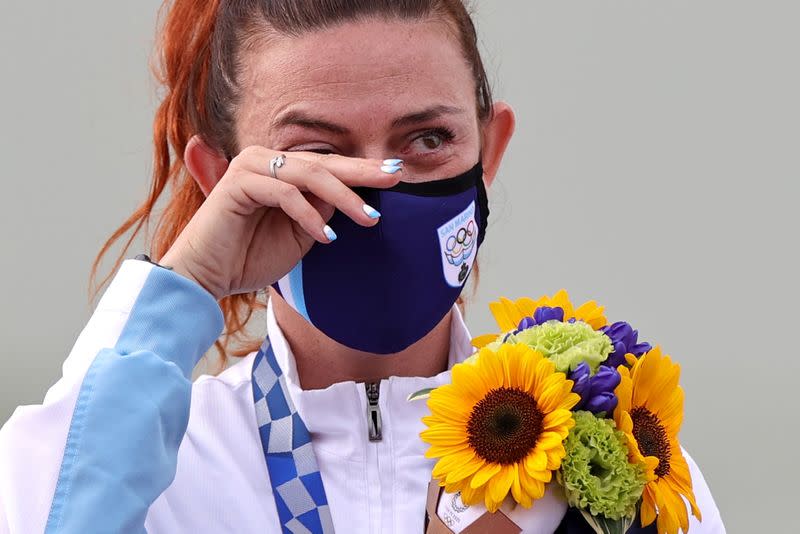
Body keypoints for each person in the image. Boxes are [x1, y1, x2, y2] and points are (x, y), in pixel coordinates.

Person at [0, 1, 725, 533]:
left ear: (489, 151)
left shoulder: (606, 459)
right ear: (221, 178)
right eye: (317, 153)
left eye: (428, 139)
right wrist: (186, 283)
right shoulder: (158, 465)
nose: (378, 185)